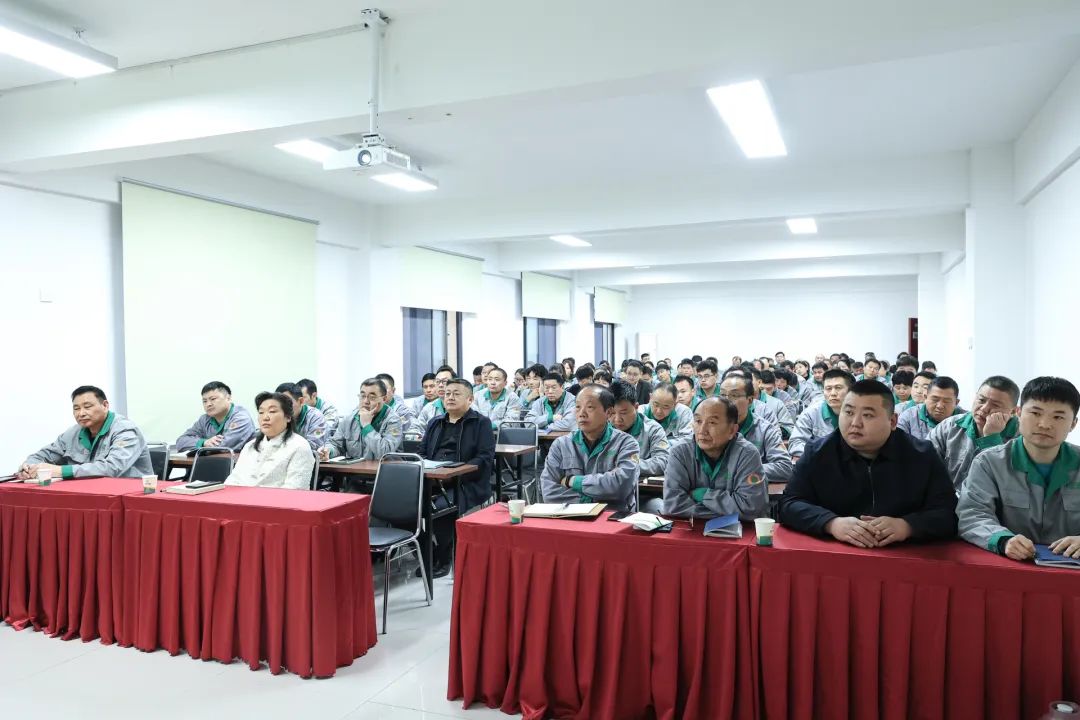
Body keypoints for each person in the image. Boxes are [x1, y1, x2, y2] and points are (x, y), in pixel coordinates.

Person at [778, 380, 958, 546]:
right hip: (836, 552)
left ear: (892, 421)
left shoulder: (921, 455)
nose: (855, 423)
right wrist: (831, 523)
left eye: (867, 415)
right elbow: (789, 504)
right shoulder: (818, 452)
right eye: (848, 412)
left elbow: (948, 512)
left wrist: (907, 526)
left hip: (904, 555)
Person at [957, 376, 1080, 561]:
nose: (1044, 424)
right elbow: (972, 514)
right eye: (1036, 413)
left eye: (1058, 417)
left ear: (1073, 424)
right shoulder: (989, 463)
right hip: (1010, 567)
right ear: (1018, 413)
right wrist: (1002, 540)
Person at [419, 379, 496, 576]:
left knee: (442, 508)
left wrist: (455, 473)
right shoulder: (435, 422)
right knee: (401, 506)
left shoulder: (481, 423)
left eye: (456, 394)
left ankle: (444, 557)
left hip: (466, 482)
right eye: (447, 393)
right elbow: (422, 453)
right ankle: (428, 553)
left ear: (470, 399)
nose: (450, 397)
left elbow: (484, 458)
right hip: (432, 480)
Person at [661, 397, 770, 521]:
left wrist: (704, 495)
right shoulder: (680, 452)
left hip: (741, 530)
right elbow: (673, 506)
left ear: (732, 430)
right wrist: (728, 511)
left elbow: (750, 508)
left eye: (712, 422)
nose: (702, 430)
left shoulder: (747, 454)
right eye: (698, 421)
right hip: (692, 528)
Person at [16, 385, 153, 480]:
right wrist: (29, 466)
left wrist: (60, 471)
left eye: (87, 407)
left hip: (128, 497)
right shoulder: (73, 433)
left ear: (105, 406)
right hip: (88, 493)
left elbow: (112, 468)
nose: (81, 413)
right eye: (76, 408)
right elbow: (44, 455)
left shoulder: (125, 430)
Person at [540, 385, 640, 511]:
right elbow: (549, 492)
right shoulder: (561, 444)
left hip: (611, 517)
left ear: (608, 412)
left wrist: (573, 481)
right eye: (578, 407)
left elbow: (622, 486)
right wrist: (589, 501)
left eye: (590, 407)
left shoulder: (626, 443)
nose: (582, 414)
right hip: (570, 516)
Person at [929, 376, 1021, 492]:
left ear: (1013, 411)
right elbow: (925, 463)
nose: (984, 408)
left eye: (995, 405)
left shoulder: (1021, 438)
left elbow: (1008, 484)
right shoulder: (950, 426)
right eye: (981, 400)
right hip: (945, 498)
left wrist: (991, 439)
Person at [225, 391, 314, 490]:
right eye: (261, 412)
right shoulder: (250, 446)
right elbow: (233, 480)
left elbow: (295, 489)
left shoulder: (299, 446)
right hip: (240, 498)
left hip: (277, 500)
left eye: (272, 411)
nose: (265, 417)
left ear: (288, 417)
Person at [719, 374, 792, 484]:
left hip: (751, 487)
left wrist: (743, 470)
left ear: (749, 400)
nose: (726, 400)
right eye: (723, 395)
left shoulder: (765, 429)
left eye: (734, 395)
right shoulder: (709, 426)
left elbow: (785, 467)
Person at [321, 378, 403, 460]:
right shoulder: (349, 419)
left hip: (383, 467)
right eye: (363, 396)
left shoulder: (393, 420)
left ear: (384, 399)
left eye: (372, 397)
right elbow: (336, 444)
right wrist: (328, 451)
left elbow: (385, 452)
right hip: (355, 467)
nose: (366, 401)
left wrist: (366, 426)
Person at [788, 369, 855, 461]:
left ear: (850, 391)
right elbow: (795, 443)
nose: (833, 393)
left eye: (838, 388)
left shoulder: (862, 413)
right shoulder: (811, 413)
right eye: (828, 389)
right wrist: (823, 454)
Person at [610, 380, 670, 478]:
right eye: (612, 413)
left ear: (636, 407)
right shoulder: (601, 429)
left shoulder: (652, 429)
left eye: (623, 413)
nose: (617, 419)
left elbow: (663, 461)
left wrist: (628, 466)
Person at [175, 381, 256, 452]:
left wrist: (199, 445)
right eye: (204, 401)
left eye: (213, 399)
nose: (208, 404)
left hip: (238, 463)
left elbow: (224, 446)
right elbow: (181, 442)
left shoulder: (241, 417)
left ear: (228, 398)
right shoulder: (204, 419)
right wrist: (204, 442)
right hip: (211, 462)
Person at [897, 376, 963, 441]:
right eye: (935, 400)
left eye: (946, 401)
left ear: (956, 402)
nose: (939, 406)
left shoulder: (965, 420)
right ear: (925, 397)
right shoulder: (909, 416)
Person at [275, 382, 328, 453]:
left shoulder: (315, 416)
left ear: (301, 401)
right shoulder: (276, 416)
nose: (283, 408)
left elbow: (314, 447)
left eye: (287, 403)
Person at [410, 366, 455, 437]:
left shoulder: (465, 406)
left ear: (455, 383)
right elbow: (415, 428)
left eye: (444, 381)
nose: (440, 385)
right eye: (437, 381)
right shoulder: (429, 408)